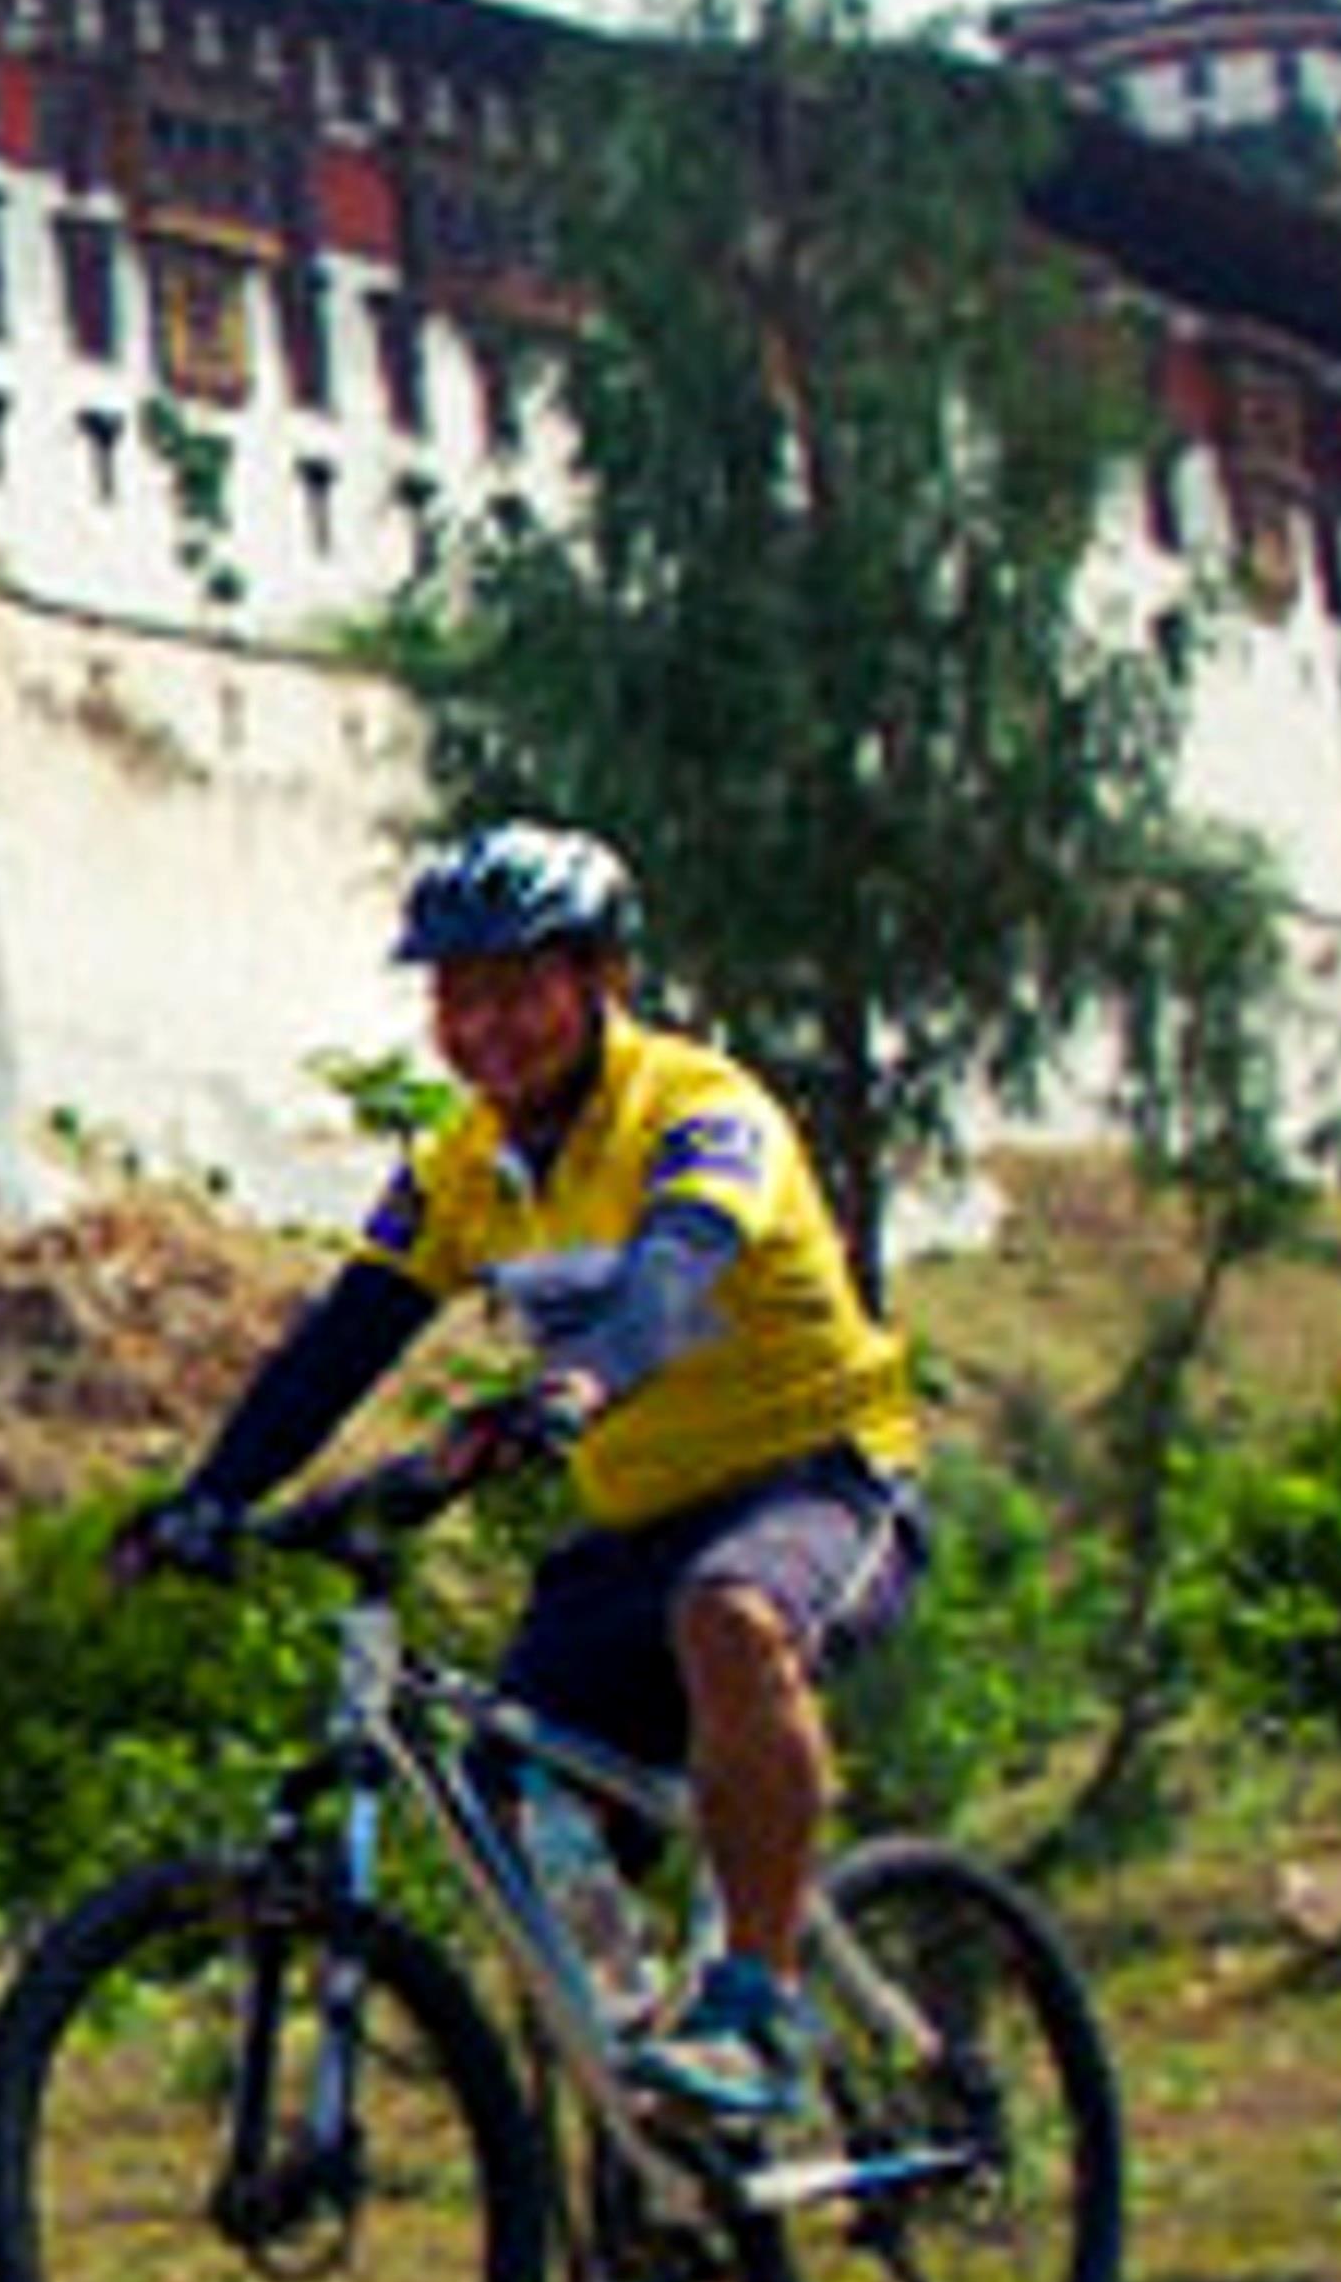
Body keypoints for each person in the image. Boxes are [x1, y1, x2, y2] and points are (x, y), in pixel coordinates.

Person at [110, 824, 926, 2124]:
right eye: (455, 995)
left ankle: (758, 2011)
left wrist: (583, 1382)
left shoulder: (700, 1110)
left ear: (601, 982)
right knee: (503, 1790)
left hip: (814, 1481)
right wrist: (214, 1494)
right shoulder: (460, 1166)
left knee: (735, 1615)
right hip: (633, 1523)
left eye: (516, 988)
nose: (483, 1027)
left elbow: (673, 1276)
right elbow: (347, 1336)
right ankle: (648, 2077)